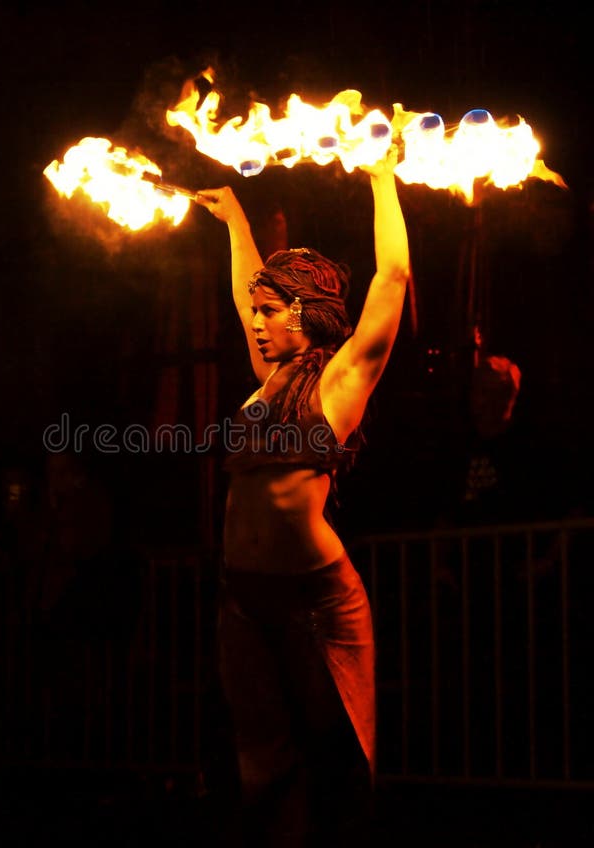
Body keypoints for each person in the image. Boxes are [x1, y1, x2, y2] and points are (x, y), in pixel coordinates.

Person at [195, 144, 410, 847]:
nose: (254, 322)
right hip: (244, 597)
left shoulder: (338, 381)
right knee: (263, 766)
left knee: (334, 757)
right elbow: (238, 295)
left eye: (269, 309)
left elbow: (394, 277)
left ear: (303, 311)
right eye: (254, 310)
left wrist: (382, 177)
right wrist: (233, 220)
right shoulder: (266, 383)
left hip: (313, 601)